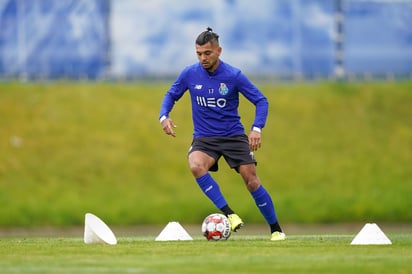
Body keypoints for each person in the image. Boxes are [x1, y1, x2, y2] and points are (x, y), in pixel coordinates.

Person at [159, 27, 285, 241]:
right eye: (198, 53)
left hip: (233, 136)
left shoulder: (233, 76)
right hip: (205, 139)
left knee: (251, 180)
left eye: (207, 53)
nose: (202, 58)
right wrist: (164, 116)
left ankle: (276, 230)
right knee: (195, 165)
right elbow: (171, 94)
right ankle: (230, 214)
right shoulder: (189, 73)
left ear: (219, 51)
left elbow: (261, 100)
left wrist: (256, 128)